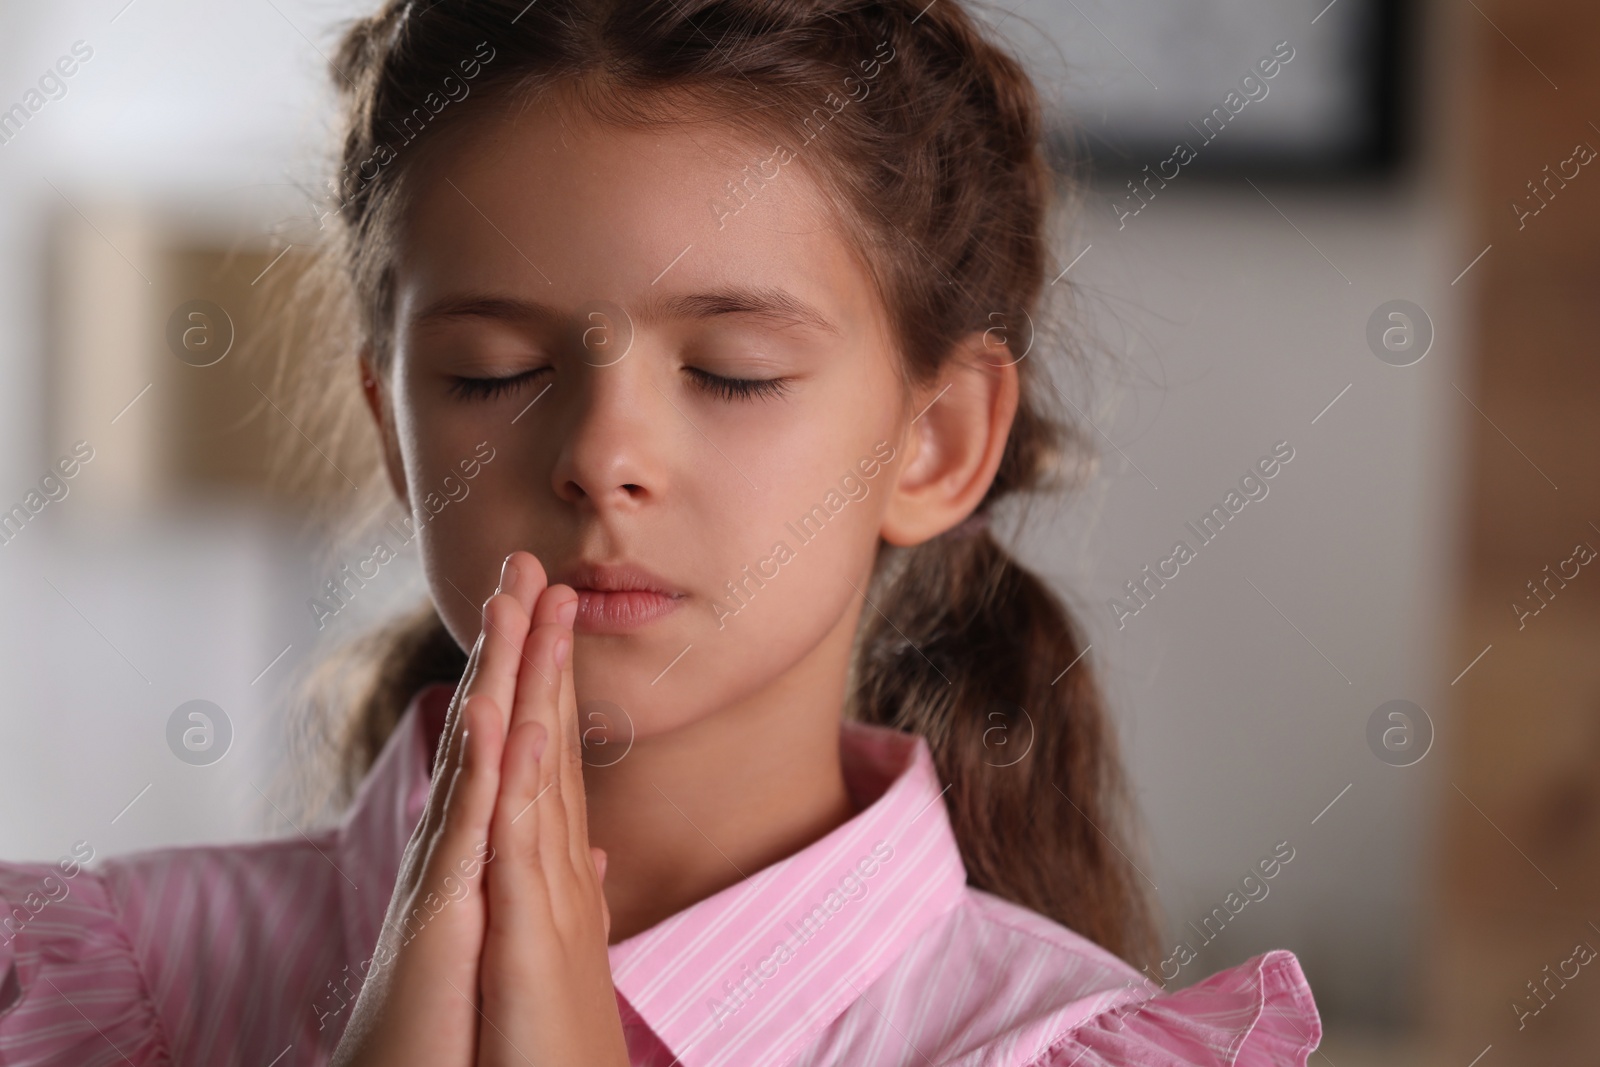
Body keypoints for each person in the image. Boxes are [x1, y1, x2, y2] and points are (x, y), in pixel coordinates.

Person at [0, 0, 1322, 1063]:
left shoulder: (1046, 1049)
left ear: (938, 443)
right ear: (394, 428)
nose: (599, 459)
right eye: (492, 373)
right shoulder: (101, 989)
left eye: (733, 371)